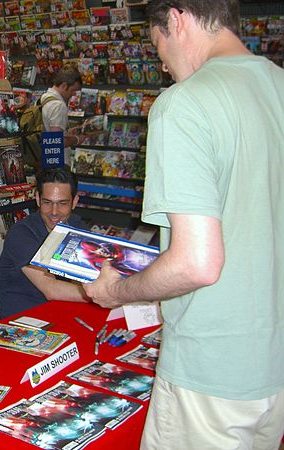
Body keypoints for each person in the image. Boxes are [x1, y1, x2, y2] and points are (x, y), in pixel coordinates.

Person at [82, 2, 284, 449]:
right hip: (272, 366)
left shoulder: (184, 105)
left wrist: (116, 291)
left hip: (209, 372)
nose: (161, 63)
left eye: (156, 45)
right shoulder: (277, 85)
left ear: (176, 20)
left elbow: (197, 263)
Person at [0, 167, 89, 319]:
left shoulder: (76, 225)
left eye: (62, 203)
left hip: (60, 309)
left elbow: (92, 267)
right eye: (47, 202)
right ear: (38, 199)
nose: (54, 212)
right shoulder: (21, 233)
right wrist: (104, 294)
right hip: (24, 320)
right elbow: (51, 289)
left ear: (75, 201)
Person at [40, 65, 84, 149]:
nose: (74, 94)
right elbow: (56, 141)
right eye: (73, 90)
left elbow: (49, 130)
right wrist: (77, 139)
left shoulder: (44, 98)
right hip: (57, 160)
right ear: (64, 85)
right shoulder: (58, 106)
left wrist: (67, 133)